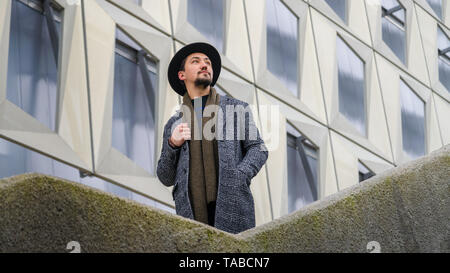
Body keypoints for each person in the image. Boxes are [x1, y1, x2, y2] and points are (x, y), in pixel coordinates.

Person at [156, 42, 268, 234]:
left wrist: (239, 175)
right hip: (190, 220)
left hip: (234, 208)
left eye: (207, 62)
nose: (205, 65)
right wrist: (172, 144)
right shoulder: (174, 123)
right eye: (196, 61)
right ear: (182, 75)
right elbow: (165, 177)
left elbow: (258, 148)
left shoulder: (237, 109)